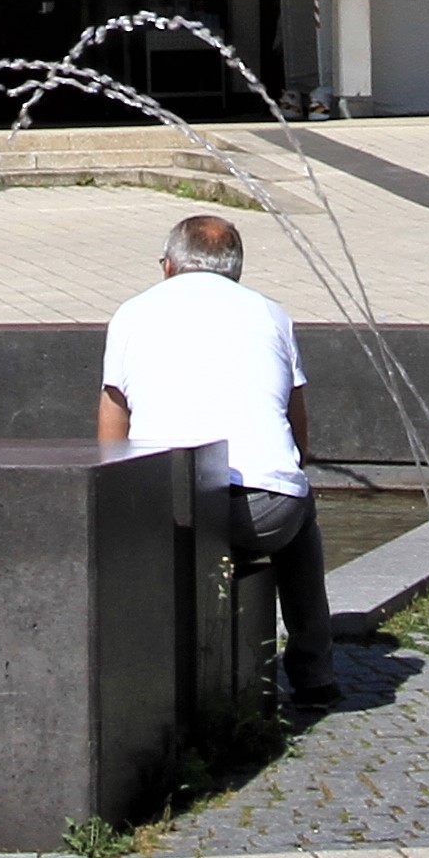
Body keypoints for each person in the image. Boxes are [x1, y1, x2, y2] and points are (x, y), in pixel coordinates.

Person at [95, 213, 338, 713]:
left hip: (170, 505)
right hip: (263, 510)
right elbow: (296, 422)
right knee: (300, 504)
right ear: (236, 271)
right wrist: (297, 467)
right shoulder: (271, 313)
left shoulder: (132, 313)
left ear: (168, 266)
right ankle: (314, 676)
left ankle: (149, 677)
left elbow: (112, 424)